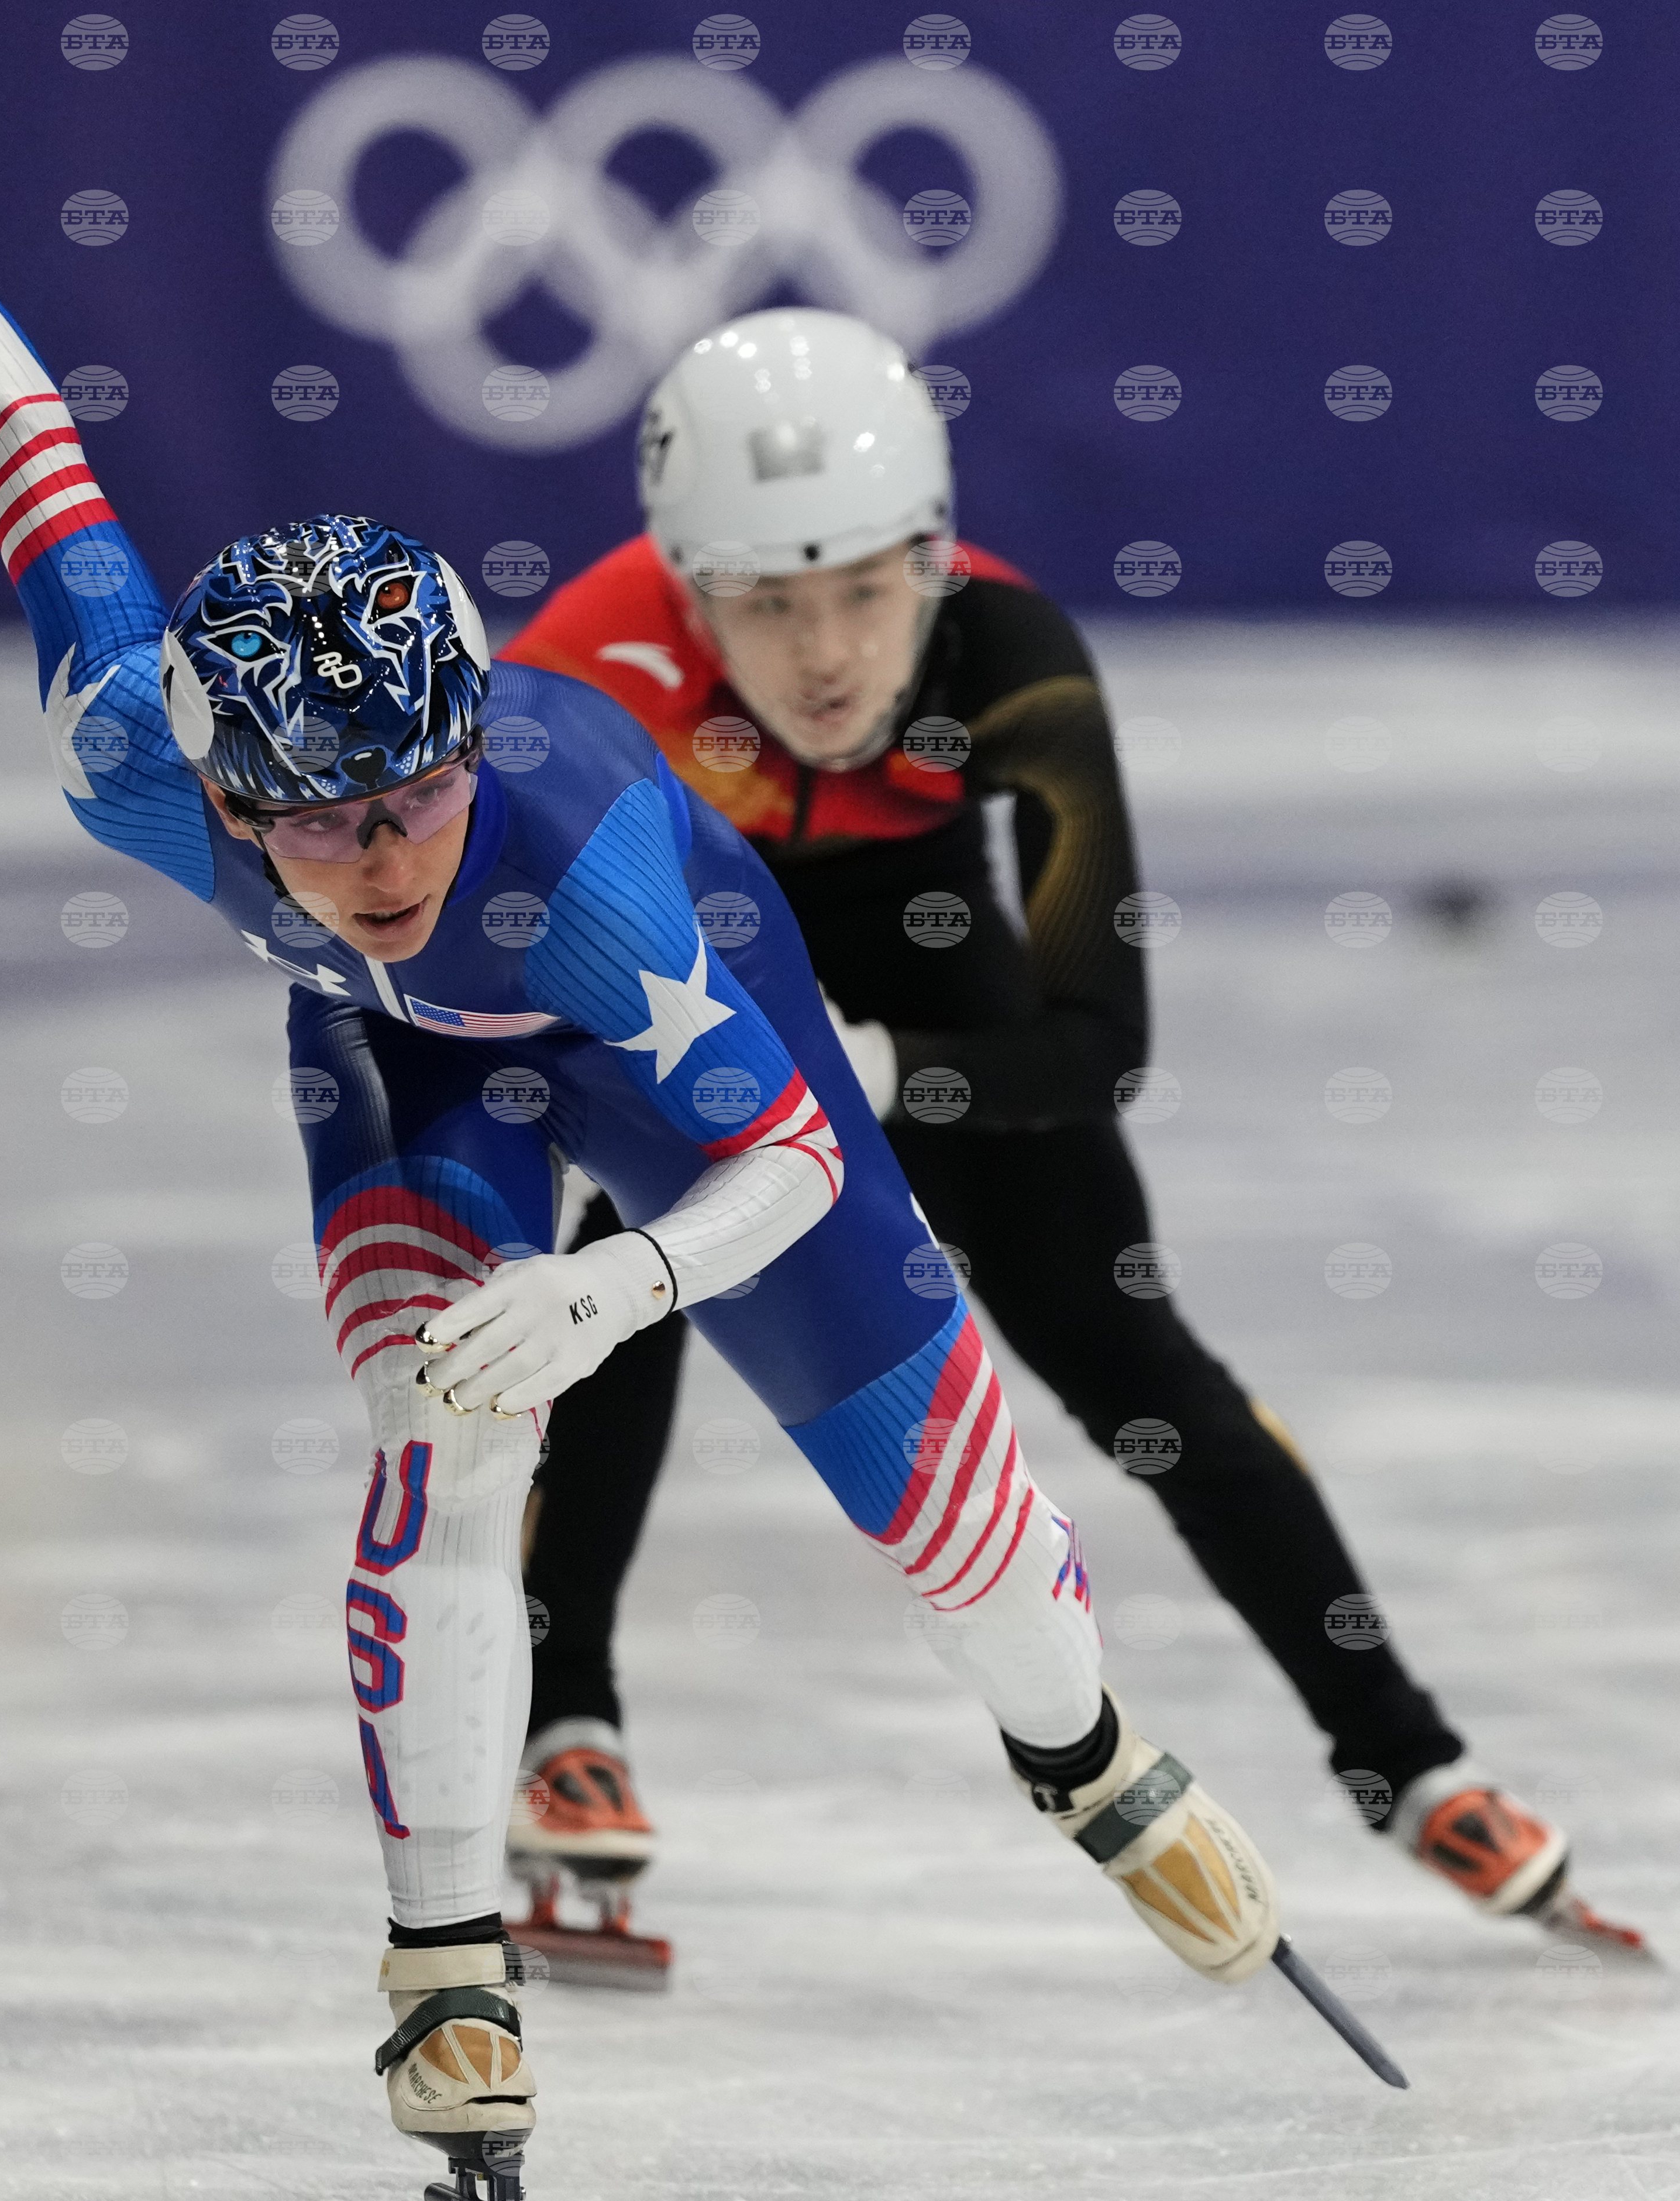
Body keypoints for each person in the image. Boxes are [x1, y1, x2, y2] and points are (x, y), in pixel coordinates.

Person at [0, 112, 1321, 2201]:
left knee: (946, 1526)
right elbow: (34, 471)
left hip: (682, 1065)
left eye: (416, 795)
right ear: (223, 789)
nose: (388, 857)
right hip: (398, 1069)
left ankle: (1084, 1756)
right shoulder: (125, 747)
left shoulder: (579, 870)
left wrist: (616, 1288)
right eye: (322, 829)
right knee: (440, 1421)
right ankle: (444, 1967)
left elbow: (799, 1159)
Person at [503, 307, 1638, 1962]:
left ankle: (1408, 1755)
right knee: (628, 1271)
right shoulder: (575, 676)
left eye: (867, 591)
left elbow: (1094, 1047)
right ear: (686, 591)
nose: (823, 655)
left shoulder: (1013, 657)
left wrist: (867, 1068)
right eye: (764, 603)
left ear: (937, 561)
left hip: (913, 959)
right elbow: (493, 971)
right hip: (691, 949)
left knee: (1133, 1360)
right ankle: (565, 1720)